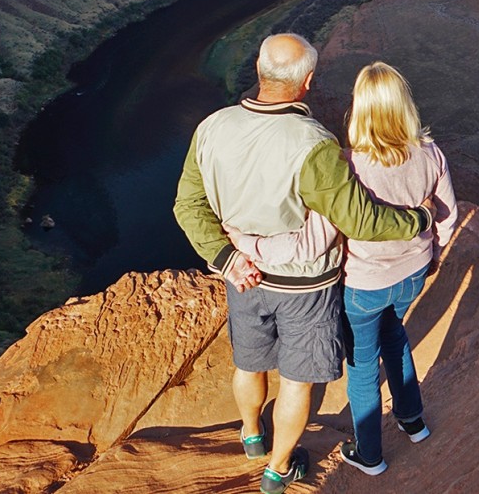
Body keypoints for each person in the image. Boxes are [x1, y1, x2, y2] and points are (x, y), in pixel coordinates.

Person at [173, 35, 434, 494]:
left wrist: (228, 258)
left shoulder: (212, 126)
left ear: (258, 66)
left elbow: (187, 205)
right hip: (306, 290)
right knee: (296, 381)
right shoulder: (314, 143)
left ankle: (252, 434)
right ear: (308, 82)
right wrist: (420, 217)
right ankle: (277, 471)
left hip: (244, 276)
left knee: (249, 365)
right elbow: (360, 220)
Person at [227, 61, 457, 477]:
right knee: (396, 336)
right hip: (412, 274)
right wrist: (433, 256)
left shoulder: (348, 167)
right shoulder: (430, 153)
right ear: (404, 106)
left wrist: (248, 246)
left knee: (364, 365)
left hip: (363, 285)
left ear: (360, 110)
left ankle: (369, 453)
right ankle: (413, 421)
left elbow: (316, 240)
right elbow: (446, 216)